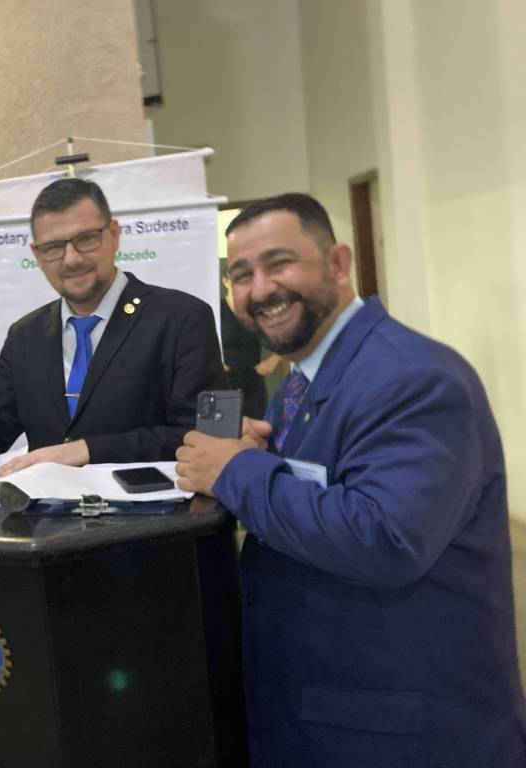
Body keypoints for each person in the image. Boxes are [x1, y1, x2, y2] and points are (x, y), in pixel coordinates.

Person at [176, 193, 526, 767]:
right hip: (323, 712)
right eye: (241, 275)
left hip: (401, 732)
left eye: (279, 263)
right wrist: (258, 458)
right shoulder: (302, 381)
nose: (260, 290)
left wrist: (236, 469)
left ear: (338, 263)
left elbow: (386, 538)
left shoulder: (415, 377)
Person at [0, 177, 225, 483]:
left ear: (114, 235)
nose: (71, 259)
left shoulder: (182, 318)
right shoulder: (25, 336)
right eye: (53, 247)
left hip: (154, 510)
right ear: (37, 255)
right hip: (48, 510)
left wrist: (86, 450)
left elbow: (203, 437)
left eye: (85, 239)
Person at [219, 276, 281, 419]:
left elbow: (284, 334)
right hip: (225, 383)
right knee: (227, 427)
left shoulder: (255, 311)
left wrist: (273, 361)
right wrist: (214, 363)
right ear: (226, 281)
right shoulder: (216, 310)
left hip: (254, 382)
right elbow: (200, 342)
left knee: (258, 428)